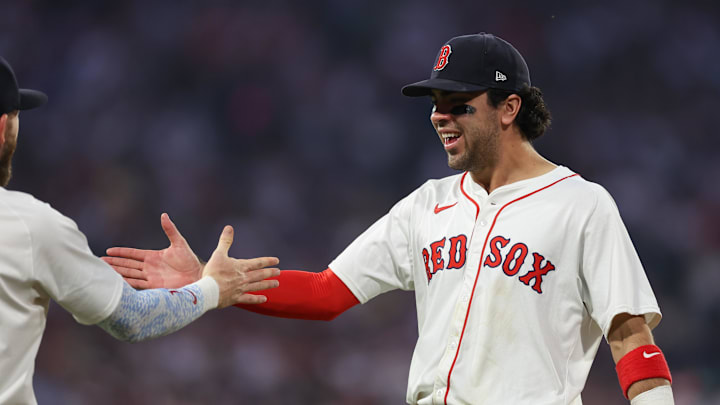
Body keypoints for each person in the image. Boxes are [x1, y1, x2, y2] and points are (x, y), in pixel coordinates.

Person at [104, 33, 674, 404]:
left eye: (458, 105)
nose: (439, 116)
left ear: (509, 108)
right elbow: (328, 293)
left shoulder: (581, 205)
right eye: (434, 103)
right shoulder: (427, 204)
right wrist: (214, 284)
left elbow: (631, 338)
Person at [0, 56, 282, 405]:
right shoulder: (30, 225)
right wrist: (211, 289)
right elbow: (132, 319)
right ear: (2, 129)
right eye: (15, 118)